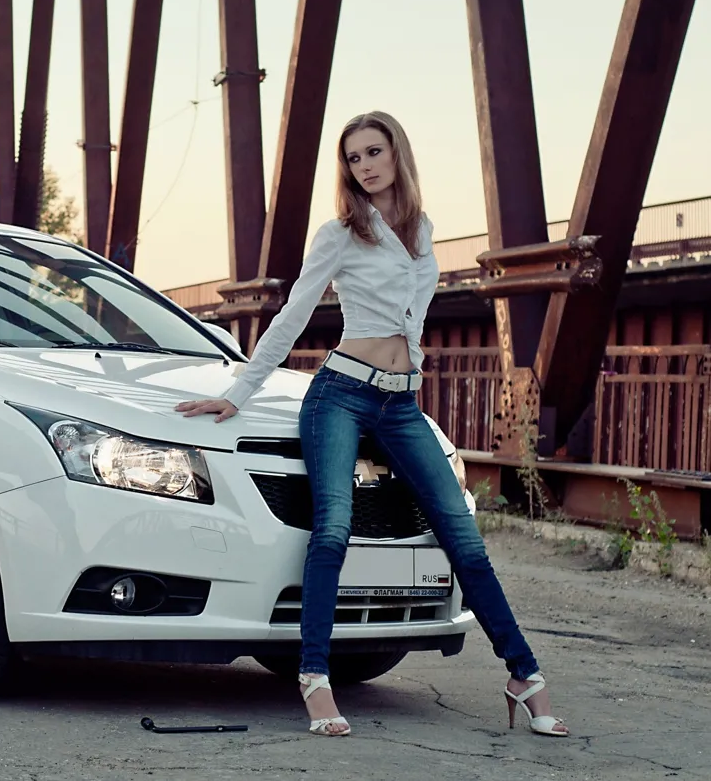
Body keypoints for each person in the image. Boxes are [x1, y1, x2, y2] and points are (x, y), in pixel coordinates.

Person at [175, 111, 568, 739]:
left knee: (463, 539)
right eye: (354, 158)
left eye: (374, 152)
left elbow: (411, 314)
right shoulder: (339, 234)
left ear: (396, 154)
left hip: (402, 404)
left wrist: (412, 355)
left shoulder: (423, 229)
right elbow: (293, 314)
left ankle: (524, 674)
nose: (364, 166)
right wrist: (239, 392)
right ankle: (314, 678)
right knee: (333, 529)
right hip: (341, 396)